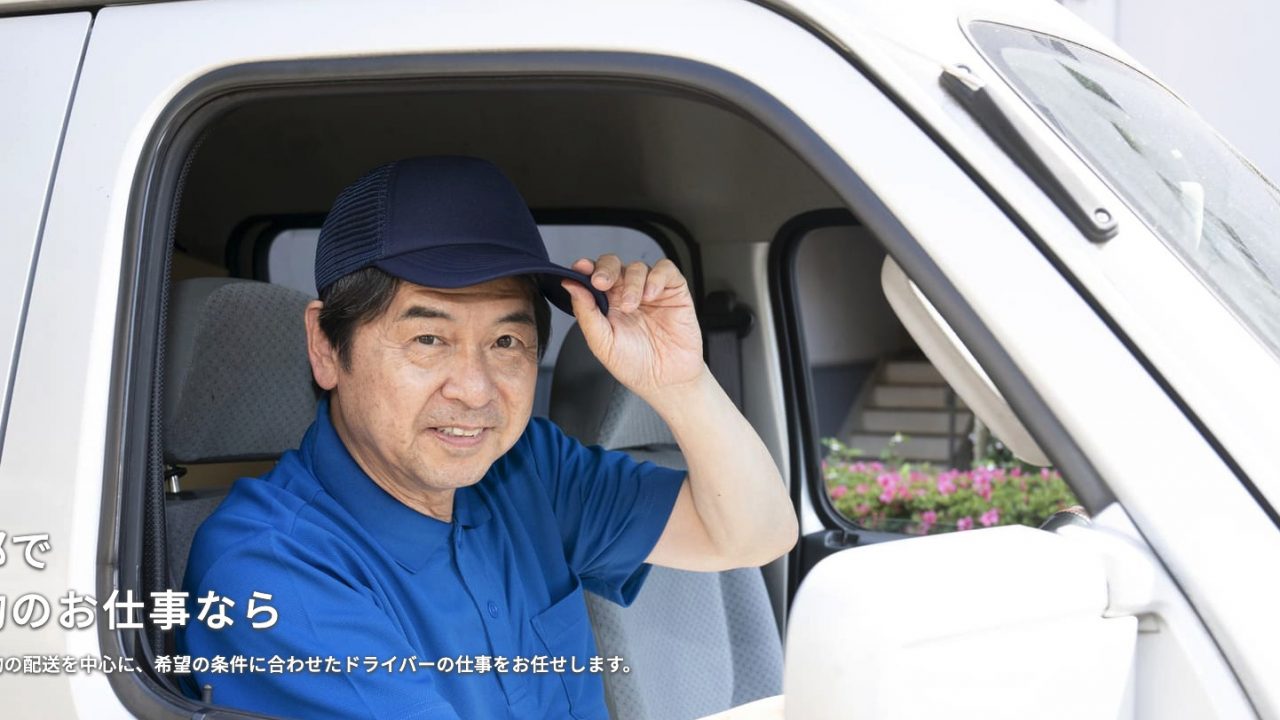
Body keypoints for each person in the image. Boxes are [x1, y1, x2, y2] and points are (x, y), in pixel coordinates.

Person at [179, 155, 797, 719]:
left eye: (506, 341)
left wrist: (679, 382)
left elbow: (754, 534)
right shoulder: (269, 572)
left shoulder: (528, 468)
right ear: (325, 346)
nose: (475, 392)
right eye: (428, 339)